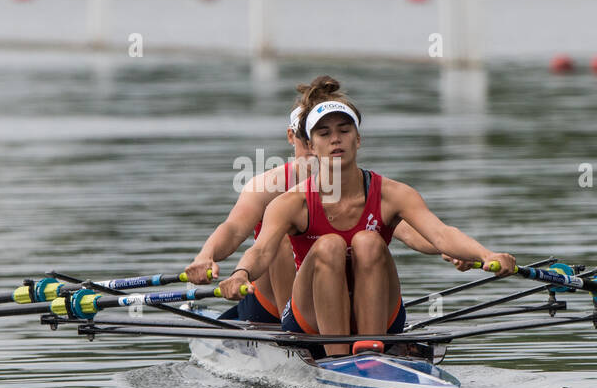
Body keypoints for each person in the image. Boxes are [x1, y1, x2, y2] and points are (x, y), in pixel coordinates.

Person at [217, 76, 516, 355]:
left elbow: (440, 234)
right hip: (310, 320)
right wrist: (241, 274)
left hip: (381, 315)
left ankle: (371, 352)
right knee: (329, 245)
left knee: (369, 241)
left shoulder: (393, 193)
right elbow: (261, 250)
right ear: (310, 145)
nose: (336, 139)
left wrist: (486, 253)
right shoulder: (290, 203)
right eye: (325, 133)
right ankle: (338, 358)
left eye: (344, 131)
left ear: (358, 140)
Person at [185, 99, 446, 323]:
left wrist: (447, 248)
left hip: (337, 297)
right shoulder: (268, 186)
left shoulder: (353, 184)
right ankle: (298, 334)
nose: (323, 145)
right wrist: (205, 256)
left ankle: (359, 336)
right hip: (274, 305)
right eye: (313, 136)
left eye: (335, 133)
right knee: (282, 241)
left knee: (369, 240)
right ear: (295, 137)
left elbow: (408, 231)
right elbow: (233, 230)